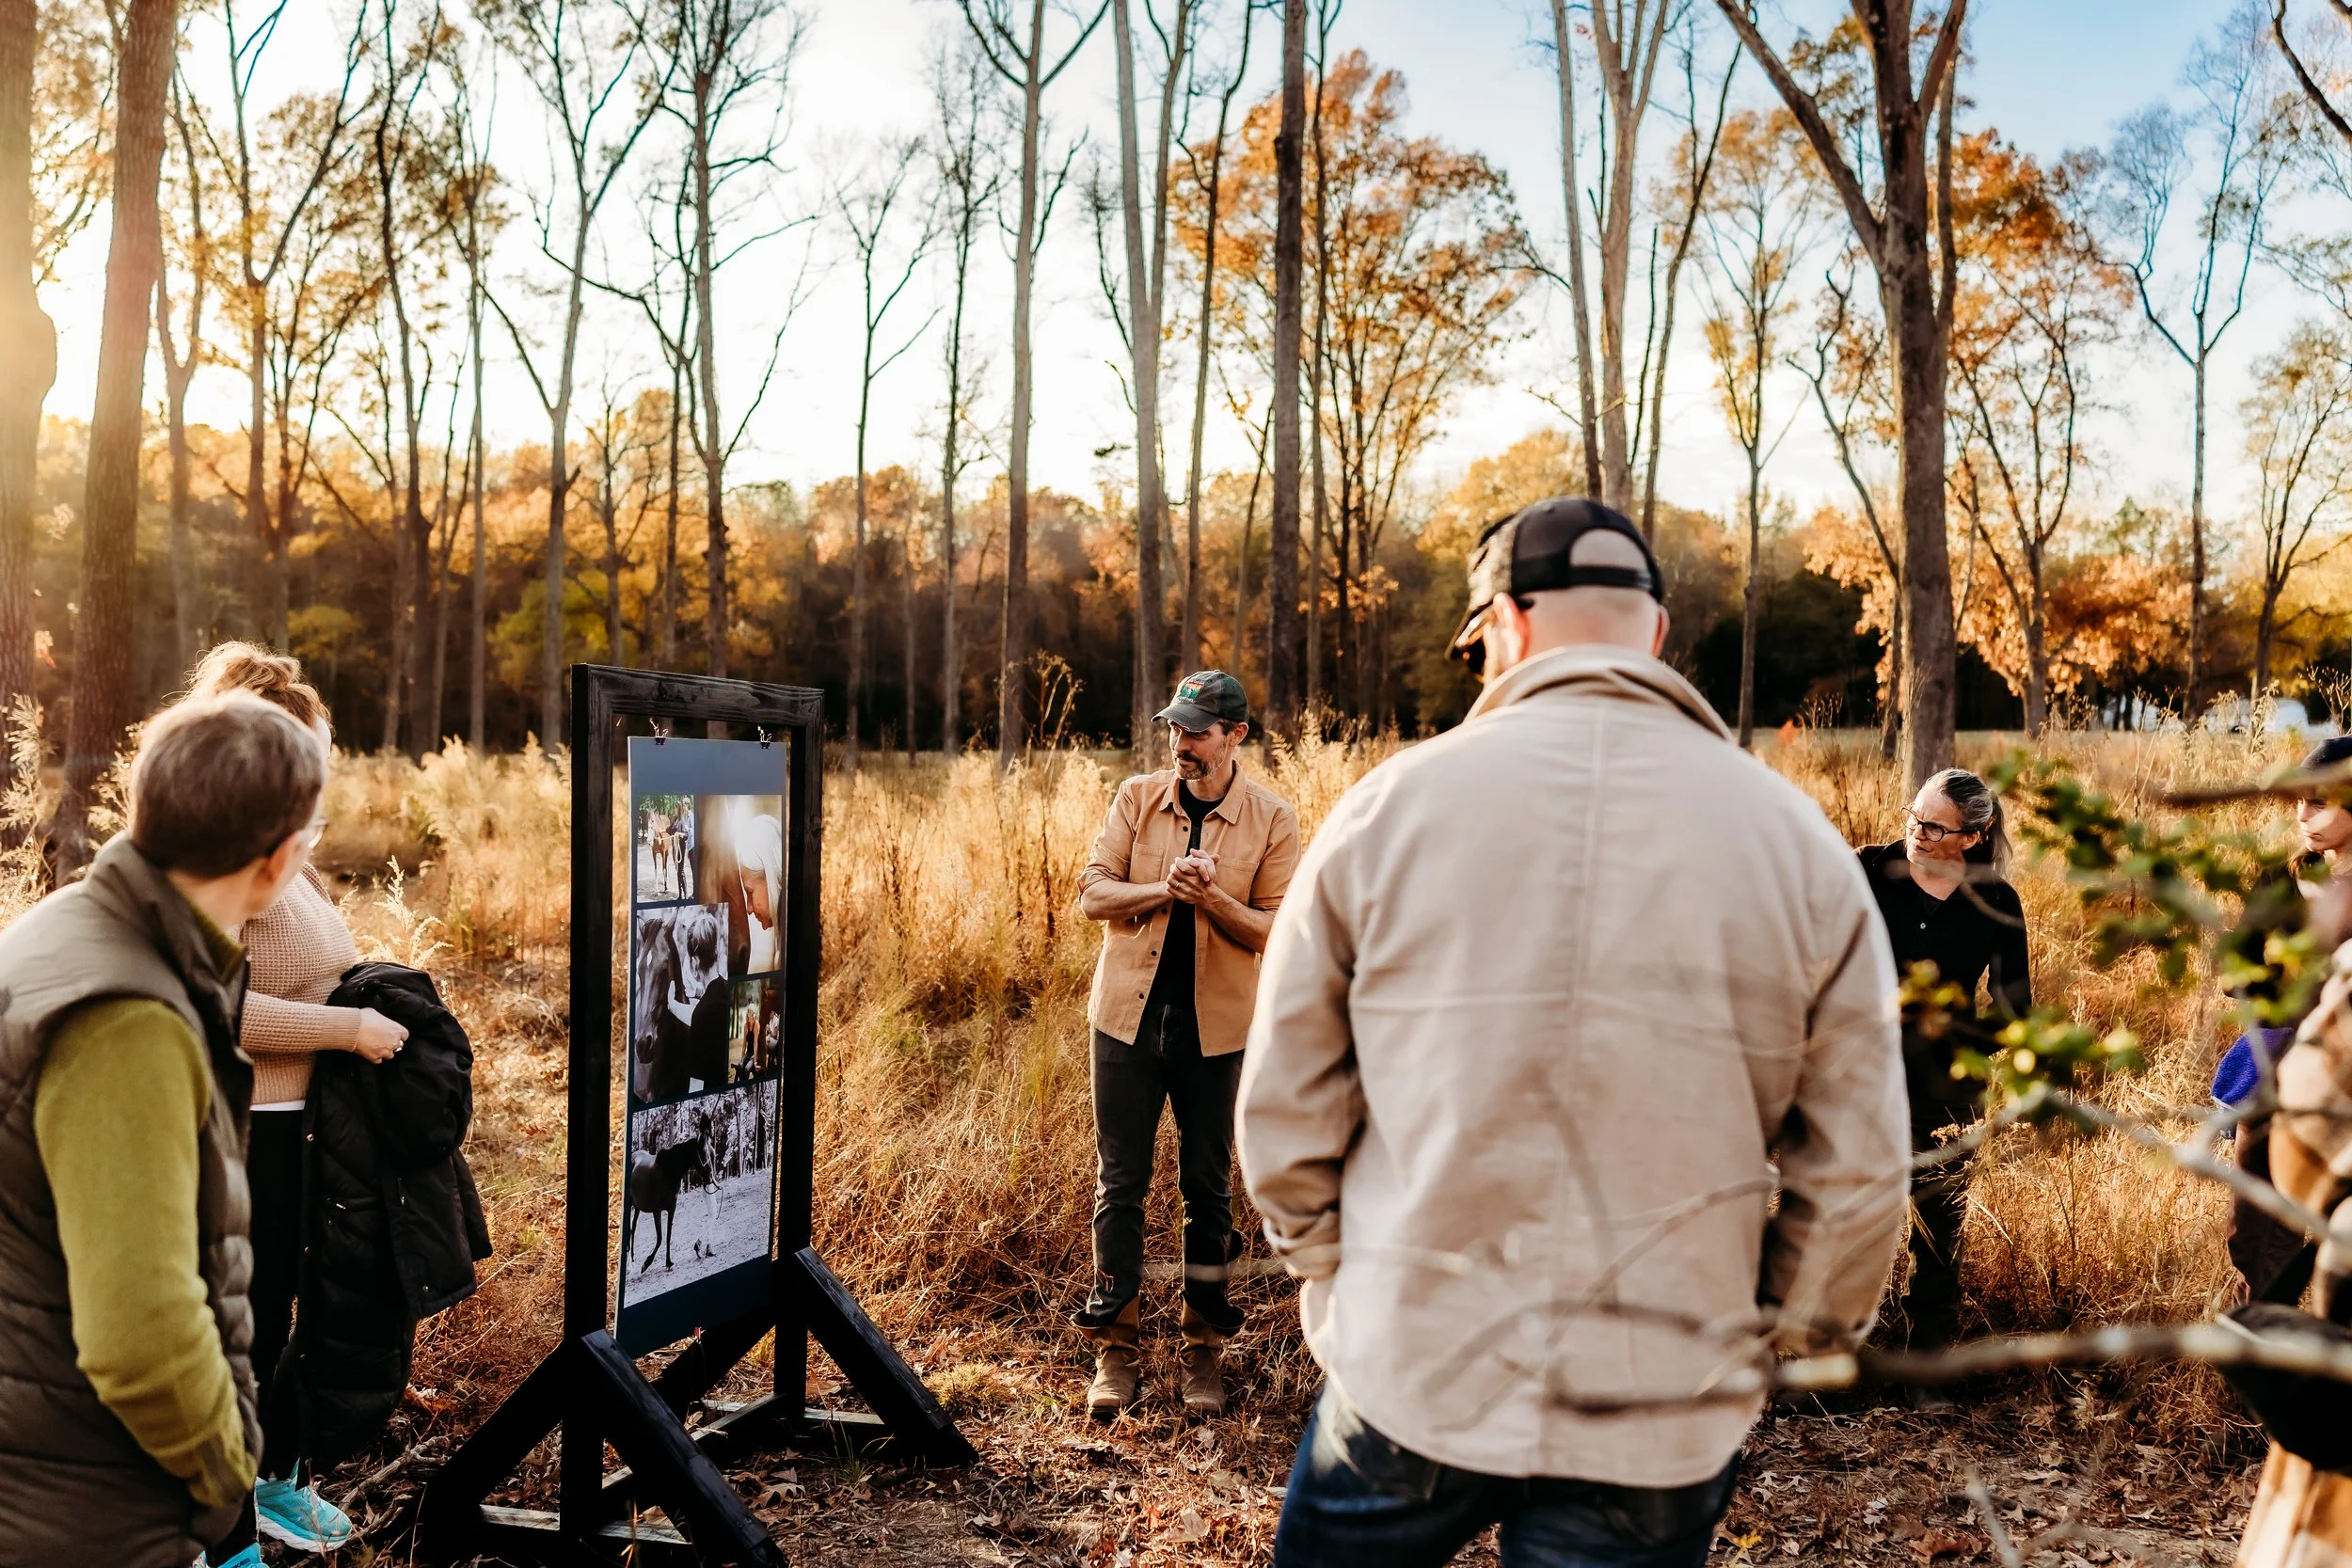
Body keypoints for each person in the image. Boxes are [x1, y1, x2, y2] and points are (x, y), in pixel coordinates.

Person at [1238, 499, 1908, 1568]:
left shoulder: (1385, 812)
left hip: (1414, 1361)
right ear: (1653, 628)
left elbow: (1284, 1099)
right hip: (1659, 1396)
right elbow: (1861, 1159)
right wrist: (1789, 1335)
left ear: (1503, 619)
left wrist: (1340, 1275)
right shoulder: (1798, 846)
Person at [0, 694, 328, 1568]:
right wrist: (228, 1478)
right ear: (276, 860)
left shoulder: (66, 928)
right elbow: (140, 1336)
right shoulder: (127, 1022)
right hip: (83, 1502)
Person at [179, 643, 407, 1556]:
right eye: (298, 758)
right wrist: (347, 1032)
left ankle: (269, 1483)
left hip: (301, 1133)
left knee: (281, 1317)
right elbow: (216, 1005)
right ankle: (209, 1529)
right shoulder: (218, 855)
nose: (314, 785)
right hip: (240, 1128)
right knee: (234, 1325)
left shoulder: (294, 856)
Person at [1075, 670, 1300, 1418]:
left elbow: (1279, 931)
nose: (1181, 743)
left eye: (1197, 731)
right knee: (1120, 1186)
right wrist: (1163, 891)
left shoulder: (1272, 819)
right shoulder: (1137, 798)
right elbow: (1091, 893)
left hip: (1218, 1034)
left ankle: (1204, 1349)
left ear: (1236, 736)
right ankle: (1117, 1351)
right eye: (1174, 728)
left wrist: (1215, 901)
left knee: (1207, 1191)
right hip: (1125, 1024)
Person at [1855, 768, 2032, 1350]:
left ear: (1972, 838)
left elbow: (2013, 1011)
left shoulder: (1996, 902)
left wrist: (1960, 1045)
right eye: (1914, 817)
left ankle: (1927, 1358)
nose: (1917, 833)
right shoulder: (1867, 872)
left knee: (1937, 1233)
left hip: (1945, 1089)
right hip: (1860, 1078)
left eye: (1934, 827)